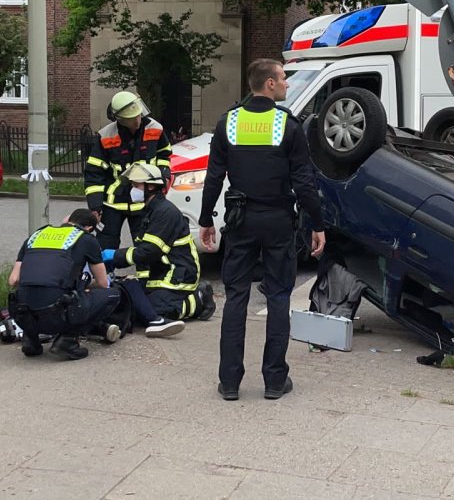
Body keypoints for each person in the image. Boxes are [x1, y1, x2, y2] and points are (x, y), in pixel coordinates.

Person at [199, 58, 326, 401]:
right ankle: (274, 380)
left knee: (236, 296)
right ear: (269, 84)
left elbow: (214, 176)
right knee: (279, 295)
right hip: (278, 222)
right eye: (283, 78)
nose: (286, 84)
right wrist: (317, 223)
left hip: (240, 221)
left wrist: (206, 218)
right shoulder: (288, 125)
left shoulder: (229, 122)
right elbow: (304, 181)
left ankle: (229, 382)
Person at [103, 163, 214, 329]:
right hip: (161, 273)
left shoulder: (165, 212)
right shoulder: (151, 209)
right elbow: (144, 249)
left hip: (178, 276)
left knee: (154, 311)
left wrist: (114, 256)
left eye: (136, 185)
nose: (132, 190)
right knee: (132, 305)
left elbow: (149, 251)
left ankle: (199, 298)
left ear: (151, 186)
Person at [7, 209, 123, 360]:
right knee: (112, 294)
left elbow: (13, 280)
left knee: (33, 295)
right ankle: (68, 341)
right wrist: (84, 289)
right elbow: (103, 283)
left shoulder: (36, 235)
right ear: (89, 228)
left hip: (23, 313)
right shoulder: (86, 239)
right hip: (56, 313)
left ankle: (31, 339)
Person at [84, 91, 173, 250]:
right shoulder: (106, 136)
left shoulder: (155, 129)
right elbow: (94, 174)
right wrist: (95, 206)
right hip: (112, 203)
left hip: (144, 200)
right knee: (106, 245)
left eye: (139, 115)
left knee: (145, 246)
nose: (138, 120)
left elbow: (164, 154)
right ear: (121, 120)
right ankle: (106, 275)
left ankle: (146, 275)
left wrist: (163, 175)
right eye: (133, 118)